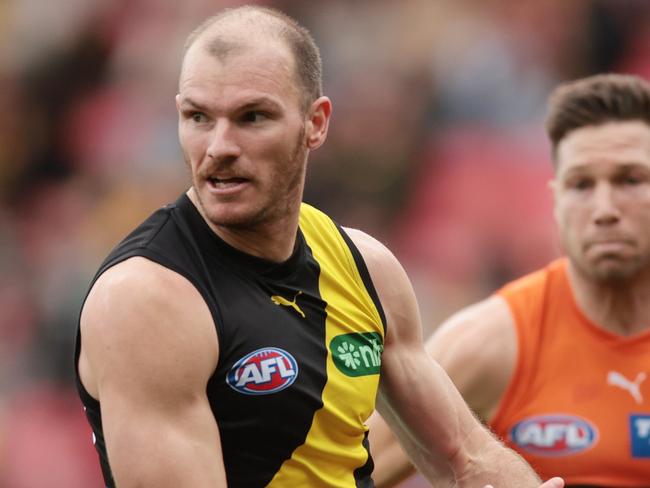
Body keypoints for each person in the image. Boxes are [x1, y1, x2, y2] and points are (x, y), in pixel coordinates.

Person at [73, 6, 564, 488]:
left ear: (316, 123)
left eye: (252, 117)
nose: (218, 145)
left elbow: (467, 457)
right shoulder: (147, 300)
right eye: (198, 117)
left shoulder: (364, 268)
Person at [369, 73, 650, 487]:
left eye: (630, 180)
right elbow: (347, 469)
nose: (604, 208)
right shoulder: (492, 342)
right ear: (555, 201)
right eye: (581, 185)